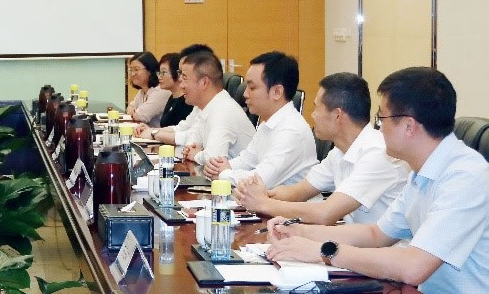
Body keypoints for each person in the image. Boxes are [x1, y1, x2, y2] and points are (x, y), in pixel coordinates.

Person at [266, 67, 488, 294]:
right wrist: (298, 231)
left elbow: (413, 267)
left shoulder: (465, 177)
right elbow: (376, 234)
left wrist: (324, 251)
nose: (378, 128)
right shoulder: (422, 172)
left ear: (409, 126)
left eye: (381, 118)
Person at [234, 72, 408, 224]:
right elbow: (298, 192)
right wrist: (258, 194)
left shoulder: (377, 153)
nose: (313, 115)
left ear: (337, 115)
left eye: (317, 108)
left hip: (381, 248)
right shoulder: (339, 152)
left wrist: (263, 203)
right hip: (353, 241)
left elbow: (325, 213)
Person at [201, 51, 317, 187]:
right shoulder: (267, 123)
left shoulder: (292, 131)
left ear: (277, 92)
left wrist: (223, 174)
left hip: (283, 200)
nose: (245, 94)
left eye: (252, 87)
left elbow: (260, 180)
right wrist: (217, 167)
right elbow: (246, 161)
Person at [147, 50, 255, 164]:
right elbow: (190, 143)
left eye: (185, 78)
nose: (181, 85)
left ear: (204, 82)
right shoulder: (206, 107)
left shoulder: (223, 110)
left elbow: (213, 159)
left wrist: (197, 155)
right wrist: (193, 152)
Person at [136, 44, 212, 142]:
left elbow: (190, 137)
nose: (180, 80)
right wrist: (152, 131)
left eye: (184, 75)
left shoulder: (220, 110)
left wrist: (154, 134)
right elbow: (182, 128)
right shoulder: (198, 106)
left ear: (204, 81)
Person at [125, 52, 170, 127]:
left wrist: (135, 112)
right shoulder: (142, 91)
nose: (132, 74)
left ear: (150, 70)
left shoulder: (161, 91)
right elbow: (129, 108)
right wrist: (134, 111)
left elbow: (140, 116)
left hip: (159, 133)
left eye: (136, 69)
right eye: (131, 70)